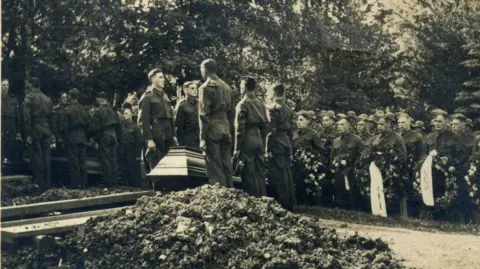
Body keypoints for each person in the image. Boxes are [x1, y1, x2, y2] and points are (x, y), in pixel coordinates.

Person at [425, 111, 469, 222]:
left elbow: (463, 156)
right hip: (431, 173)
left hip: (448, 174)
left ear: (447, 122)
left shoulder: (455, 138)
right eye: (435, 121)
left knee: (446, 199)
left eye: (440, 121)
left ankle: (446, 218)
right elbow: (424, 155)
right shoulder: (430, 138)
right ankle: (432, 215)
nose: (437, 124)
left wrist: (451, 164)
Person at [198, 59, 235, 187]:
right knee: (226, 164)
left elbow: (203, 115)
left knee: (214, 166)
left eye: (201, 70)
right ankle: (231, 194)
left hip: (212, 128)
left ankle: (221, 197)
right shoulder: (227, 87)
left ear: (205, 70)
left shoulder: (205, 87)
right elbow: (232, 112)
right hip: (225, 127)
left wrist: (202, 138)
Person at [233, 76, 269, 197]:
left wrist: (237, 148)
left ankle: (253, 201)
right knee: (260, 172)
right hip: (259, 138)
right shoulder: (261, 104)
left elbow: (239, 128)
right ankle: (263, 200)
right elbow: (265, 126)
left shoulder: (242, 104)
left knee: (249, 172)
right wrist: (263, 144)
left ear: (243, 87)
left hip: (248, 138)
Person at [369, 113, 408, 217]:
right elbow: (369, 153)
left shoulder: (397, 138)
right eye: (378, 124)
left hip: (391, 171)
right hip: (376, 170)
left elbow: (403, 156)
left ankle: (395, 214)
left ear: (389, 124)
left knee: (392, 193)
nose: (379, 126)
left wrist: (392, 164)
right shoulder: (375, 138)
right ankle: (377, 210)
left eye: (382, 124)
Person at [138, 68, 177, 170]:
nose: (164, 79)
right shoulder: (147, 97)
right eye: (160, 77)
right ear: (153, 79)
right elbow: (143, 121)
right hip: (156, 133)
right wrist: (149, 139)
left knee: (169, 162)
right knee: (157, 162)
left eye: (163, 77)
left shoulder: (164, 96)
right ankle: (158, 185)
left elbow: (170, 117)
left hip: (168, 132)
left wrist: (174, 135)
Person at [266, 83, 296, 210]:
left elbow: (270, 131)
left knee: (278, 173)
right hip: (285, 142)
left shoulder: (273, 108)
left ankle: (282, 203)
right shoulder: (288, 108)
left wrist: (267, 149)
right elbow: (290, 130)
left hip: (276, 142)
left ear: (273, 93)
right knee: (286, 172)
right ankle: (289, 202)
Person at [23, 77, 56, 191]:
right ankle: (48, 184)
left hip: (35, 129)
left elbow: (26, 118)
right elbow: (52, 118)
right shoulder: (47, 99)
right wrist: (52, 133)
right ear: (40, 86)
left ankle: (39, 184)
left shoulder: (29, 98)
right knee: (47, 157)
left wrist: (28, 134)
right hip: (47, 129)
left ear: (31, 85)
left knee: (37, 157)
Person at [331, 118, 365, 210]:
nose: (339, 127)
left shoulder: (356, 140)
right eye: (338, 125)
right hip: (339, 171)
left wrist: (354, 167)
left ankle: (354, 208)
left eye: (342, 125)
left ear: (348, 126)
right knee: (339, 189)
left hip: (352, 170)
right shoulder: (336, 141)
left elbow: (363, 156)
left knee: (352, 190)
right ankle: (341, 206)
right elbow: (332, 157)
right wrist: (334, 167)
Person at [292, 110, 324, 205]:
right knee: (296, 182)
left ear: (308, 121)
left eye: (301, 120)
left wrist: (311, 156)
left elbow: (321, 149)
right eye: (297, 119)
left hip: (308, 165)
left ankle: (308, 203)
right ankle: (298, 202)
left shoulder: (312, 134)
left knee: (306, 184)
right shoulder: (295, 134)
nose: (298, 122)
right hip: (296, 163)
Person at [61, 88, 90, 188]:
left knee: (74, 162)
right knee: (82, 161)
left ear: (69, 96)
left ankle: (76, 183)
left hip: (72, 137)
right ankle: (84, 183)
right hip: (82, 136)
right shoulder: (84, 109)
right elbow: (88, 124)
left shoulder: (67, 110)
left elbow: (64, 127)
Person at [398, 114, 425, 217]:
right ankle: (401, 212)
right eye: (399, 123)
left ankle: (413, 214)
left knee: (411, 190)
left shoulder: (417, 136)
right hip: (400, 167)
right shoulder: (397, 136)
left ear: (409, 123)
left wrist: (416, 168)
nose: (401, 125)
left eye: (403, 122)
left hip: (412, 168)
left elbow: (420, 154)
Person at [93, 91, 121, 186]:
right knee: (113, 158)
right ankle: (115, 180)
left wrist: (96, 139)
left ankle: (108, 182)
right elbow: (119, 124)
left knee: (105, 159)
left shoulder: (98, 111)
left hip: (104, 134)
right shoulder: (113, 110)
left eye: (97, 100)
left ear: (100, 99)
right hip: (114, 134)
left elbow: (97, 128)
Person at [119, 107, 144, 187]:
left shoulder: (135, 127)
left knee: (135, 170)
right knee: (125, 169)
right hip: (124, 152)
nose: (124, 115)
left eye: (126, 113)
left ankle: (137, 186)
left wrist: (138, 155)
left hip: (132, 152)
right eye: (124, 113)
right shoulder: (122, 127)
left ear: (131, 115)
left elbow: (139, 142)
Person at [1, 78, 21, 165]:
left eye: (7, 85)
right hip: (2, 125)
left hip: (12, 127)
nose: (6, 87)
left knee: (11, 145)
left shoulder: (13, 99)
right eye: (3, 85)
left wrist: (18, 131)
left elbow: (18, 117)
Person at [174, 81, 200, 148]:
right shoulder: (182, 105)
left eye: (196, 88)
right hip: (188, 138)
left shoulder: (200, 103)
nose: (195, 90)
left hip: (199, 137)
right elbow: (178, 126)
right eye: (192, 88)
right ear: (185, 90)